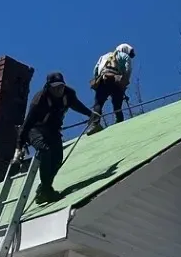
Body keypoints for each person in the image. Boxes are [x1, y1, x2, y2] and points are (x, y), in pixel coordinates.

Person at [17, 71, 101, 205]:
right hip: (34, 130)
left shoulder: (68, 94)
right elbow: (27, 124)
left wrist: (90, 114)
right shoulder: (40, 99)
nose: (59, 90)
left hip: (53, 130)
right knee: (45, 151)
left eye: (61, 86)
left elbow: (76, 105)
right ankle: (46, 190)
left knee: (57, 159)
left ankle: (44, 189)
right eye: (55, 87)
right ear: (49, 87)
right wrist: (19, 147)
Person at [90, 43, 136, 125]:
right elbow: (128, 70)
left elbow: (95, 70)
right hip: (116, 81)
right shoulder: (125, 56)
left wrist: (98, 84)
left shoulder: (103, 56)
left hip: (103, 80)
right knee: (117, 105)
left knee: (98, 103)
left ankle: (95, 124)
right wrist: (124, 83)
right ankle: (119, 122)